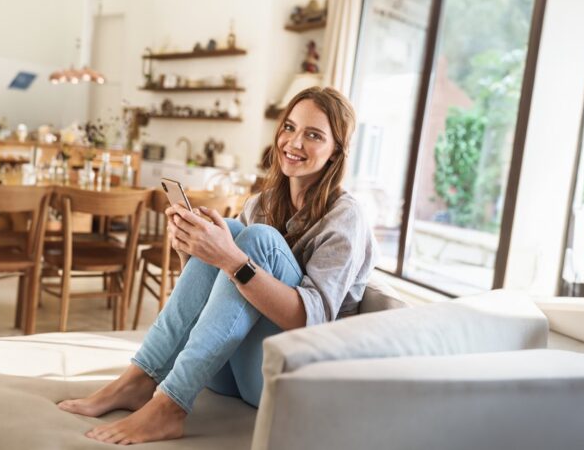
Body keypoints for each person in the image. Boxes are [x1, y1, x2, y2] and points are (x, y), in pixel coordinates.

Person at [57, 86, 375, 445]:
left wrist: (228, 256)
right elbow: (221, 302)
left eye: (313, 135)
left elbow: (310, 320)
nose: (294, 142)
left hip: (287, 375)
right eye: (289, 127)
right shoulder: (261, 202)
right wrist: (190, 250)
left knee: (255, 240)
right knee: (236, 231)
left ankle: (170, 406)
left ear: (336, 152)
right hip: (224, 370)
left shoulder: (345, 217)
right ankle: (139, 378)